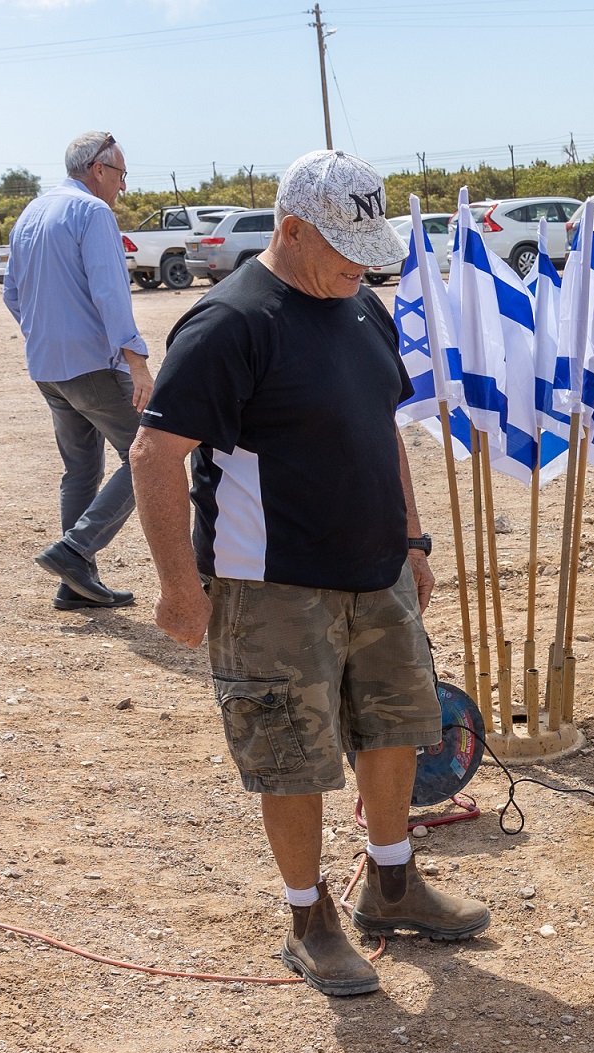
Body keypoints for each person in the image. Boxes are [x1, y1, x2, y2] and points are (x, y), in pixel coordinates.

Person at [129, 150, 489, 997]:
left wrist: (411, 539)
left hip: (378, 576)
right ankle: (309, 918)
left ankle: (393, 884)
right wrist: (182, 586)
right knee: (290, 757)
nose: (361, 265)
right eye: (344, 247)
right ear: (290, 232)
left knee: (396, 725)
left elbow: (384, 426)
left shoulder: (360, 305)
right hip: (272, 590)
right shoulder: (229, 323)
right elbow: (154, 454)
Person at [1, 131, 151, 610]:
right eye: (121, 175)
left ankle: (75, 583)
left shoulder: (30, 214)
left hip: (48, 368)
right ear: (98, 170)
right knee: (148, 455)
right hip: (92, 366)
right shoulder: (92, 212)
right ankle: (75, 550)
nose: (123, 187)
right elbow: (110, 292)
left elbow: (11, 294)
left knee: (81, 470)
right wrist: (138, 361)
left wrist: (47, 333)